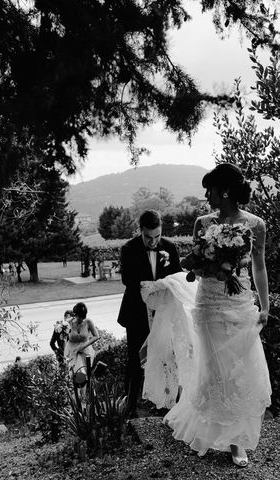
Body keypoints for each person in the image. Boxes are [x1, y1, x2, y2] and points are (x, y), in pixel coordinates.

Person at [153, 163, 271, 468]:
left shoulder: (256, 224)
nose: (206, 195)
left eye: (211, 189)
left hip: (240, 303)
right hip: (208, 304)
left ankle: (236, 438)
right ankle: (220, 437)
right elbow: (193, 267)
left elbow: (258, 266)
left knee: (239, 371)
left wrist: (266, 304)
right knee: (214, 371)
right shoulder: (202, 223)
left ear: (226, 191)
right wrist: (211, 265)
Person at [116, 210, 182, 417]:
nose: (153, 242)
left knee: (167, 356)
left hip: (163, 312)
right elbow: (128, 280)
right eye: (148, 237)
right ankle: (131, 404)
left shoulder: (170, 248)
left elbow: (177, 275)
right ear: (140, 231)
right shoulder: (128, 249)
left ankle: (166, 402)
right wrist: (151, 287)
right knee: (135, 358)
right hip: (136, 311)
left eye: (157, 236)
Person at [64, 302, 99, 392]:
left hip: (85, 349)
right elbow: (63, 336)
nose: (81, 319)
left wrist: (83, 346)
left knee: (87, 373)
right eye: (79, 317)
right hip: (73, 350)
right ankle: (77, 396)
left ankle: (88, 394)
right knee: (77, 374)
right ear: (75, 315)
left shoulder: (88, 322)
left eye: (83, 317)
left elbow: (96, 336)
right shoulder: (69, 323)